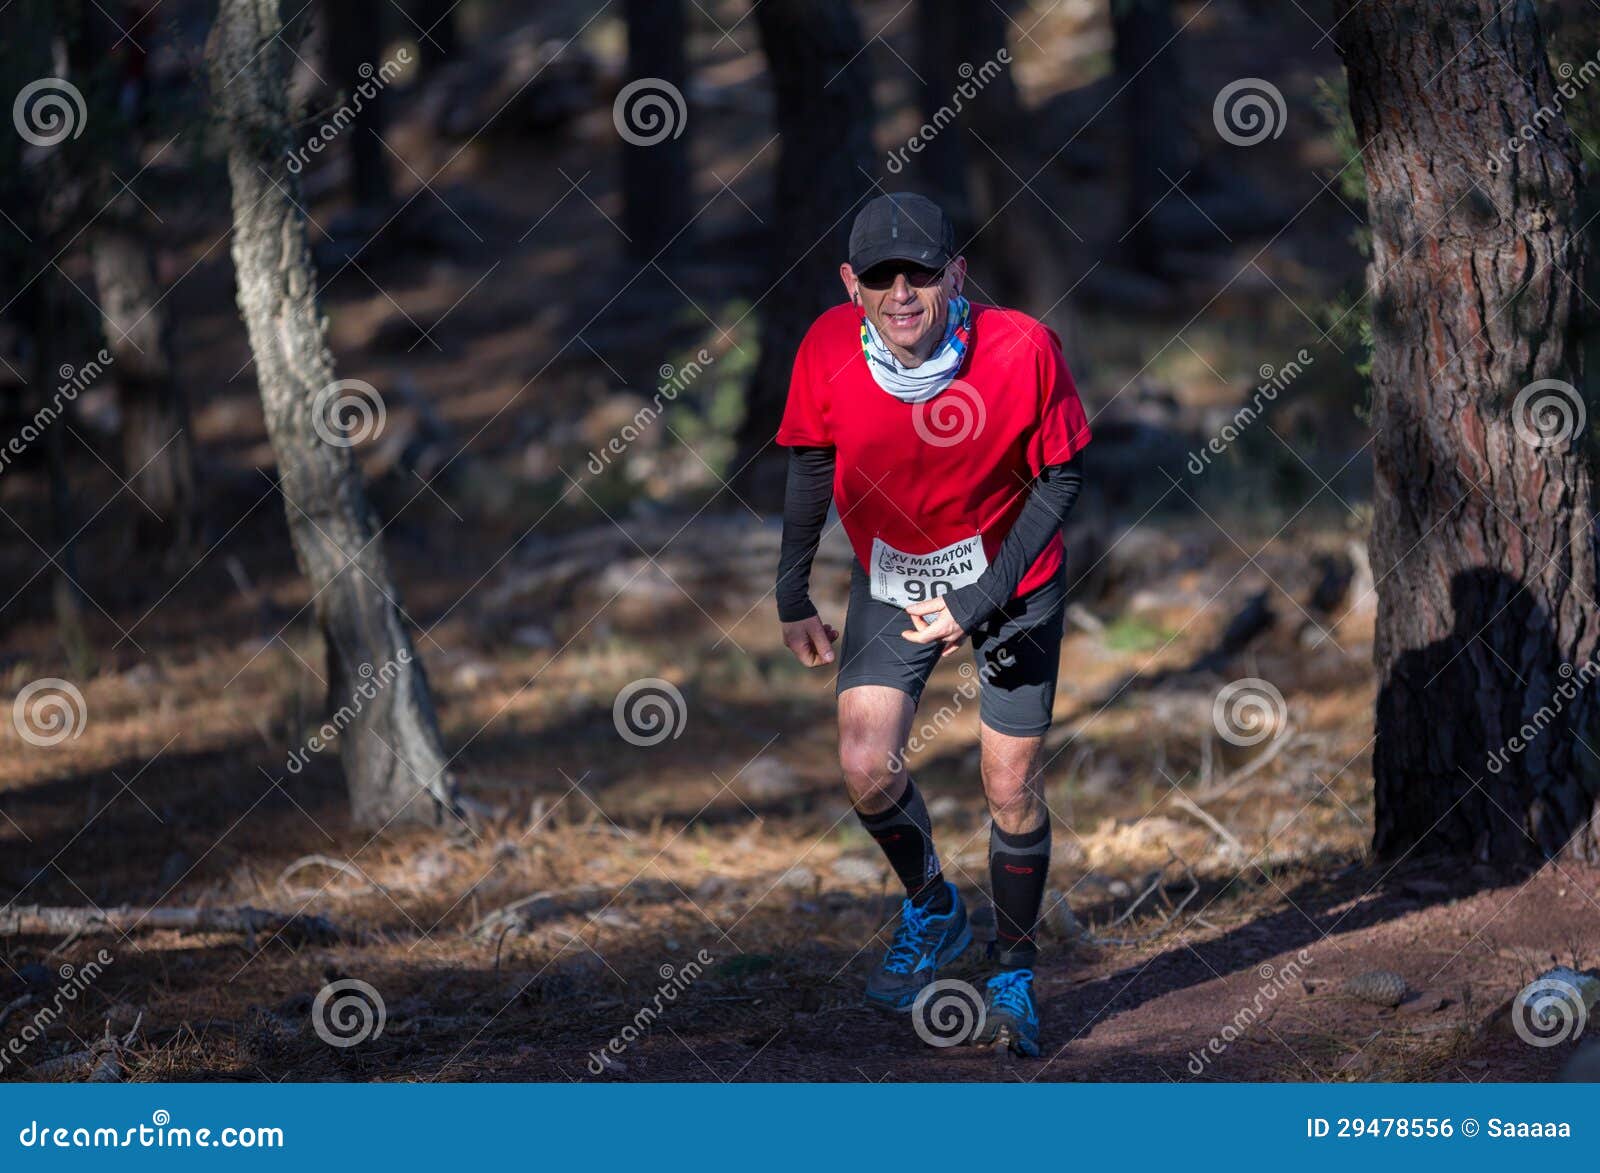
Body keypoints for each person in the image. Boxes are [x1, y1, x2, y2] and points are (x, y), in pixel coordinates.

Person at [774, 192, 1090, 1056]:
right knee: (865, 762)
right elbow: (810, 465)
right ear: (852, 285)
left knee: (1010, 784)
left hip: (1013, 577)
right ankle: (934, 908)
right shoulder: (827, 349)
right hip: (898, 576)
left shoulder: (1020, 347)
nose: (902, 292)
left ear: (956, 273)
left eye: (921, 272)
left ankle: (1015, 971)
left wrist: (981, 598)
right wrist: (791, 590)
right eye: (881, 276)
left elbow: (1061, 477)